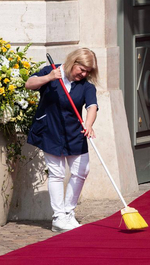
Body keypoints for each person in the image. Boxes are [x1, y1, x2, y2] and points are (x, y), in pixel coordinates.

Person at [25, 48, 99, 232]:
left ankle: (68, 212)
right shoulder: (51, 71)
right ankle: (58, 217)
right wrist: (49, 77)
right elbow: (29, 84)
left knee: (82, 170)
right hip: (50, 129)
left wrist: (88, 125)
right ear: (73, 62)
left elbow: (92, 107)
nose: (83, 74)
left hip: (75, 132)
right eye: (81, 69)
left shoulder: (87, 86)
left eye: (87, 72)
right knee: (57, 173)